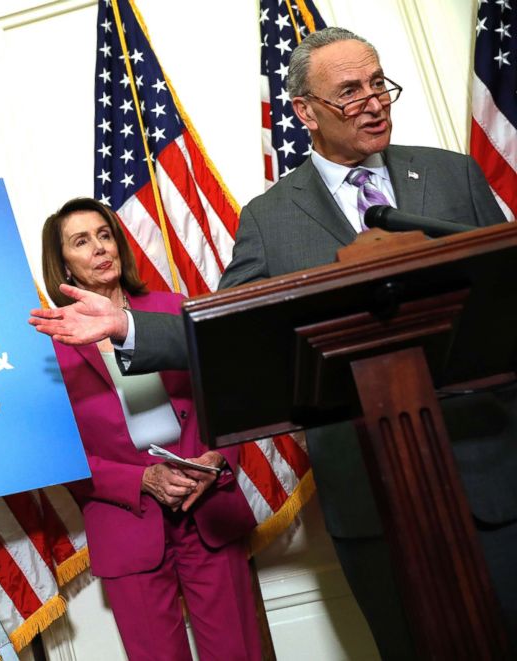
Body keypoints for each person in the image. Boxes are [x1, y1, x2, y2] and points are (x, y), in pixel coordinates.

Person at [30, 28, 517, 659]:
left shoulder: (452, 175)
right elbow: (227, 329)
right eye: (349, 92)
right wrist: (128, 327)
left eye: (378, 85)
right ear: (305, 111)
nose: (373, 102)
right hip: (370, 486)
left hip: (490, 466)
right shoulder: (270, 217)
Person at [41, 197, 262, 661]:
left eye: (105, 235)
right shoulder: (51, 346)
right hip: (127, 526)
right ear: (63, 262)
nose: (100, 248)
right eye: (82, 241)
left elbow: (230, 394)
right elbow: (58, 453)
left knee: (236, 651)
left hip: (208, 512)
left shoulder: (173, 310)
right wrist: (140, 479)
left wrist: (215, 460)